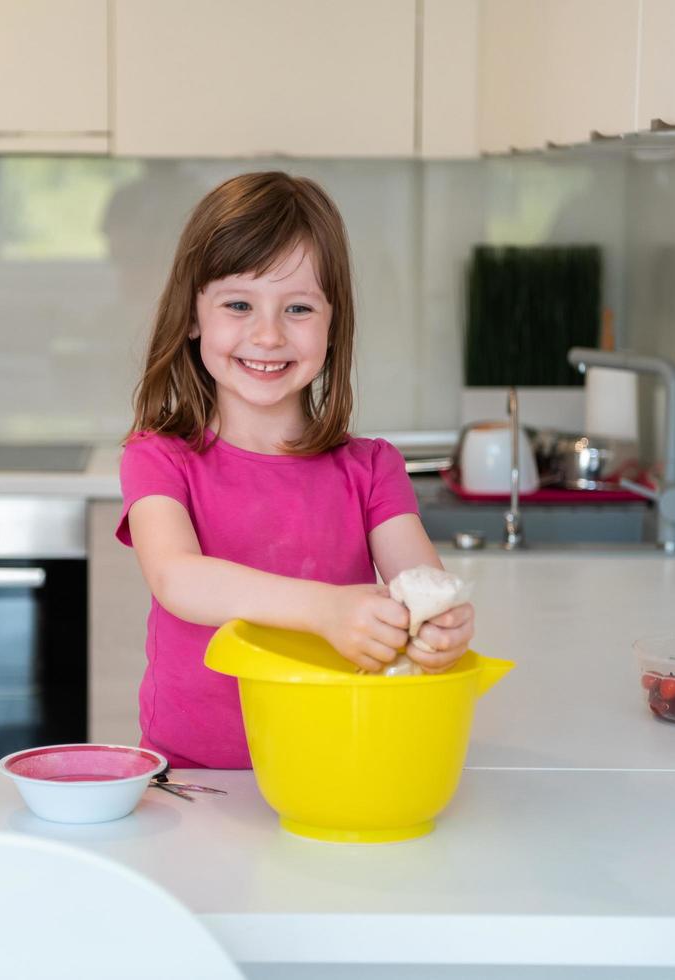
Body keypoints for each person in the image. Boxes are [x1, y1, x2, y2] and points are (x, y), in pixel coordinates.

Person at [117, 172, 476, 769]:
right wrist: (325, 610)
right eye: (238, 304)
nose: (267, 334)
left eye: (299, 308)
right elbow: (179, 578)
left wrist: (438, 627)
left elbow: (420, 586)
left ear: (333, 327)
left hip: (340, 764)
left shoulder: (373, 469)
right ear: (192, 317)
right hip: (197, 778)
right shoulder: (159, 457)